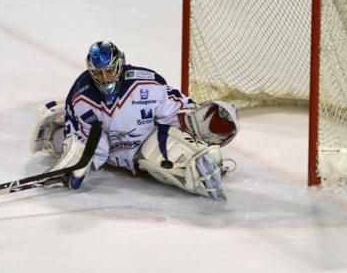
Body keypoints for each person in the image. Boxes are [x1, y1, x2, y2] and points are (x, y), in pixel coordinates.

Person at [30, 40, 239, 200]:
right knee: (66, 143)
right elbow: (90, 140)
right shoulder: (82, 97)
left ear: (119, 65)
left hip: (144, 146)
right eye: (98, 74)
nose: (105, 78)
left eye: (109, 71)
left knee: (177, 159)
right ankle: (55, 132)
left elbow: (176, 108)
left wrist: (196, 119)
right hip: (112, 154)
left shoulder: (145, 85)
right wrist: (76, 165)